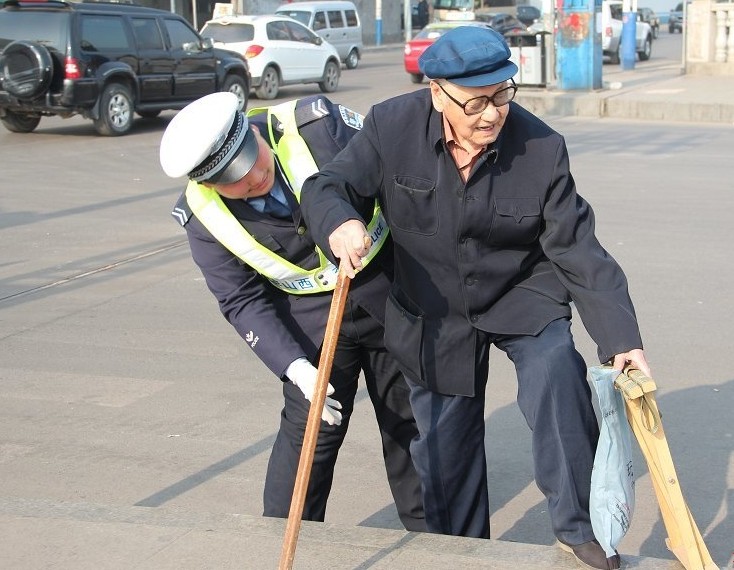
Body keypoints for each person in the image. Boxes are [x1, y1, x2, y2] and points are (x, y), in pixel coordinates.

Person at [299, 26, 651, 570]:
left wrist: (621, 337)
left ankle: (579, 527)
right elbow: (326, 186)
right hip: (431, 305)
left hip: (520, 292)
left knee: (557, 374)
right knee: (443, 447)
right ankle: (462, 549)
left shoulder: (542, 148)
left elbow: (579, 248)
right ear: (438, 93)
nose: (492, 114)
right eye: (477, 102)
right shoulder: (390, 126)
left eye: (503, 95)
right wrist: (341, 223)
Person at [159, 92, 425, 532]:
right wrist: (295, 367)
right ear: (209, 184)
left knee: (409, 427)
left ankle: (432, 538)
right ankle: (284, 537)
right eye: (237, 181)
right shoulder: (202, 218)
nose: (257, 176)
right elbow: (240, 298)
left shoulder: (317, 126)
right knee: (309, 437)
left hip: (390, 293)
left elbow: (400, 177)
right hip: (313, 330)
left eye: (255, 158)